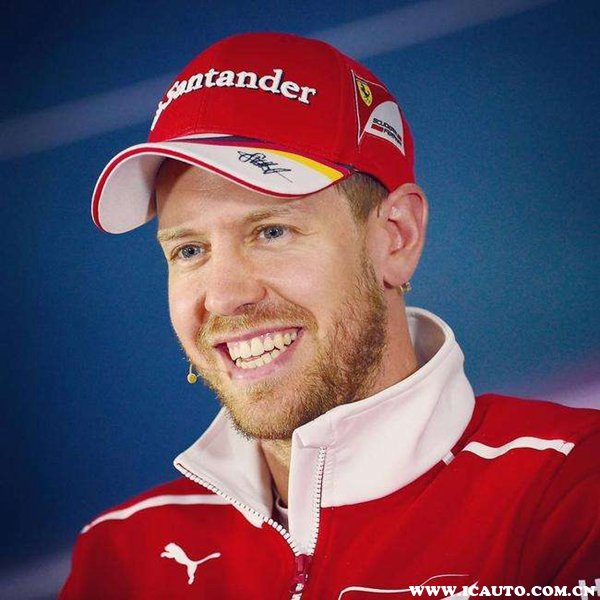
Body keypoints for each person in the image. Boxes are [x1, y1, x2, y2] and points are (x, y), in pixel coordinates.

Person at [61, 32, 599, 599]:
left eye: (272, 231)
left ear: (396, 236)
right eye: (189, 250)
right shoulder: (122, 555)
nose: (223, 296)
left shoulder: (572, 490)